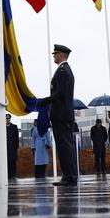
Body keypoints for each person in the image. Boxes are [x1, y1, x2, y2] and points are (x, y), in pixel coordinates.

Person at [38, 44, 77, 186]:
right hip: (64, 115)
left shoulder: (62, 71)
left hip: (61, 115)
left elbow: (59, 94)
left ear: (60, 55)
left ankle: (70, 177)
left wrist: (44, 101)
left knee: (64, 147)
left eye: (55, 54)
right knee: (66, 146)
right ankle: (70, 176)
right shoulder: (65, 70)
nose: (54, 56)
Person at [6, 114, 19, 179]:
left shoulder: (14, 126)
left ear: (10, 119)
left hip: (12, 148)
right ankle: (8, 175)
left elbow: (16, 138)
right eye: (6, 118)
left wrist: (16, 147)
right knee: (6, 162)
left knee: (12, 162)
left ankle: (13, 175)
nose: (7, 119)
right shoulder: (2, 127)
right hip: (5, 148)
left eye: (8, 118)